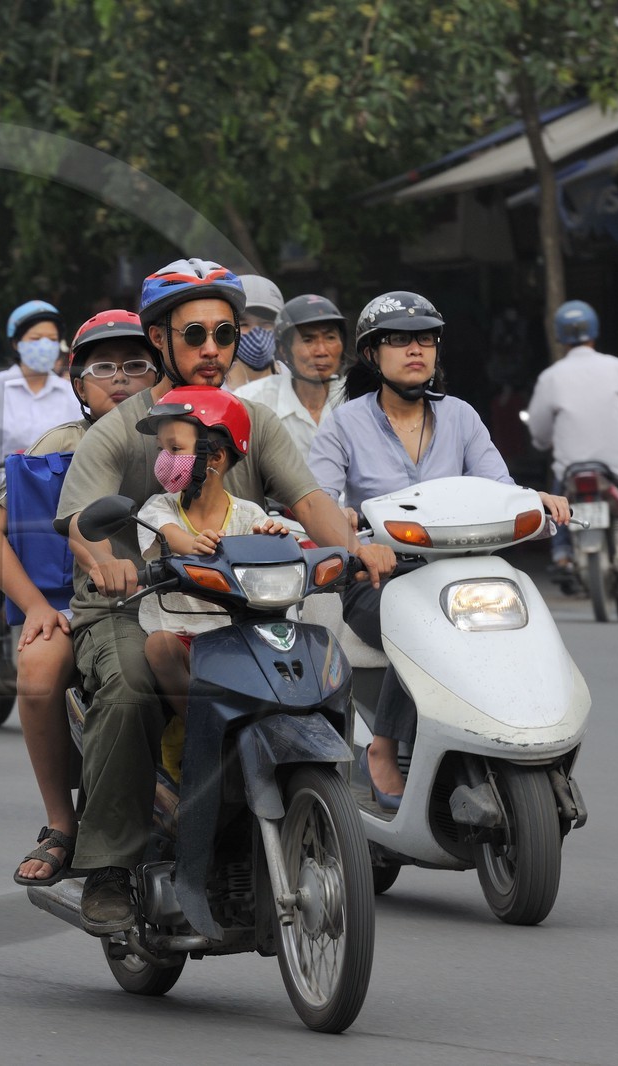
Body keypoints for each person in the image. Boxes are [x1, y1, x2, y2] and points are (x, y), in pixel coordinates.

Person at [54, 259, 394, 935]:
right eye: (194, 335)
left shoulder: (255, 423)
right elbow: (79, 524)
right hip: (134, 604)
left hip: (243, 604)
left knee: (313, 671)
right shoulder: (122, 428)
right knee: (128, 685)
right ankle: (112, 865)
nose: (212, 350)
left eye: (224, 333)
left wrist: (355, 549)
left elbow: (310, 502)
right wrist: (107, 563)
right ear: (160, 341)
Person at [308, 291, 569, 805]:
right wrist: (341, 521)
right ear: (371, 354)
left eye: (425, 339)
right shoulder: (343, 423)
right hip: (380, 580)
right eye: (399, 340)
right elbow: (318, 498)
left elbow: (500, 488)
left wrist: (535, 500)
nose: (415, 350)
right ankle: (383, 746)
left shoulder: (462, 417)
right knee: (421, 622)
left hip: (463, 575)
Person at [0, 310, 160, 885]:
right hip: (75, 604)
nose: (120, 378)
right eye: (103, 367)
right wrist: (35, 608)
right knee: (37, 668)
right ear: (78, 384)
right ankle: (62, 824)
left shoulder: (185, 434)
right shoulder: (60, 444)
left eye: (135, 365)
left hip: (179, 599)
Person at [135, 387, 287, 778]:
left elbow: (277, 543)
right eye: (162, 450)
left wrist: (273, 536)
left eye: (174, 448)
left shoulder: (249, 514)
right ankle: (205, 724)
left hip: (233, 640)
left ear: (215, 456)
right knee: (160, 647)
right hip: (182, 636)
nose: (164, 460)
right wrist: (193, 544)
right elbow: (169, 535)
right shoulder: (159, 507)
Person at [0, 300, 82, 666]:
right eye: (34, 337)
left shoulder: (68, 392)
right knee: (13, 544)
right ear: (16, 343)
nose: (44, 344)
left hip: (57, 501)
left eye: (51, 338)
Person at [525, 300, 618, 586]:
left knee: (556, 503)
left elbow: (539, 430)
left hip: (571, 470)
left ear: (560, 337)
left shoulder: (550, 377)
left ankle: (562, 556)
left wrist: (542, 442)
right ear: (595, 332)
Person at [235, 293, 348, 459]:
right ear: (283, 351)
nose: (322, 351)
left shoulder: (360, 398)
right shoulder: (250, 402)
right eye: (307, 340)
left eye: (330, 338)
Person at [222, 274, 283, 391]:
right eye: (244, 324)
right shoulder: (217, 393)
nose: (257, 334)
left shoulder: (300, 384)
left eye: (266, 323)